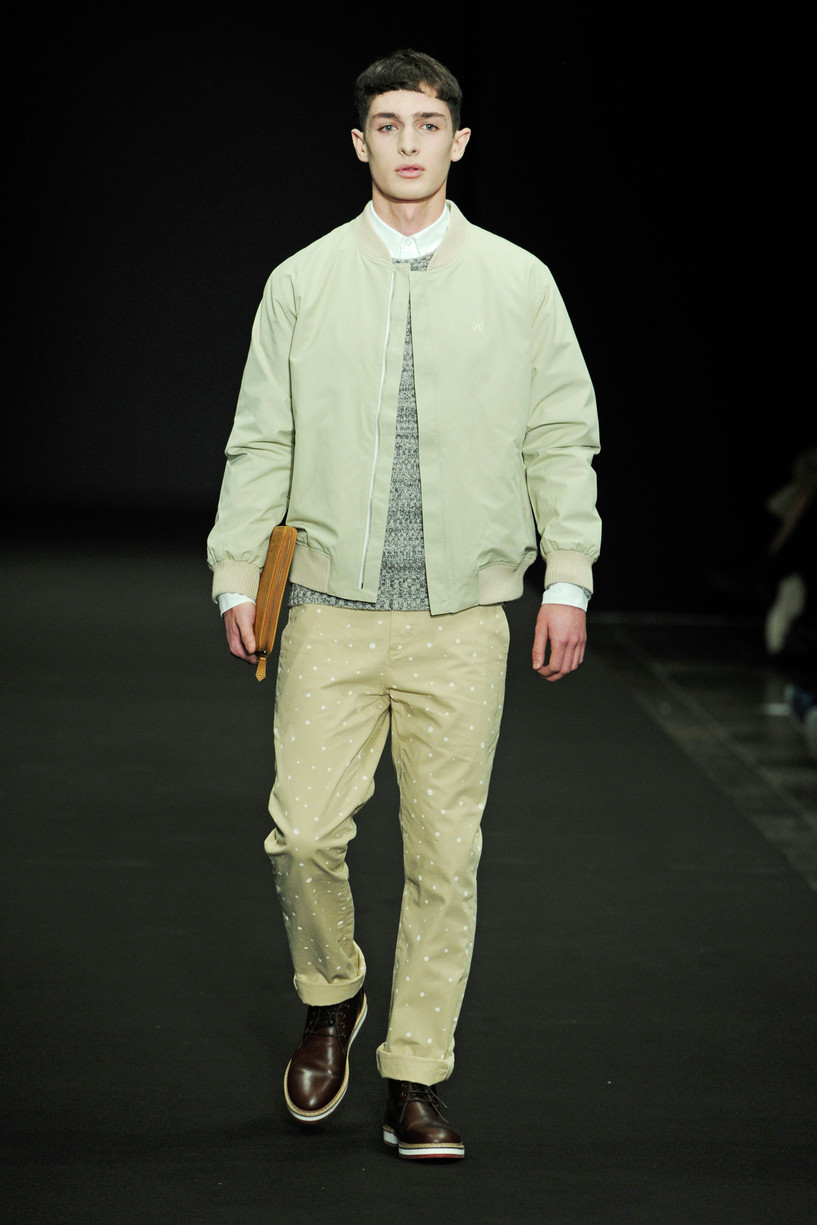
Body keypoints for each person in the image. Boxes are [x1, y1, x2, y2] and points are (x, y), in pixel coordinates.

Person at [207, 48, 601, 1160]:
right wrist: (236, 571)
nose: (410, 143)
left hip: (464, 617)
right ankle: (332, 992)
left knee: (443, 857)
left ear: (458, 141)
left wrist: (567, 577)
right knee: (300, 833)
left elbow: (559, 435)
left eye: (428, 124)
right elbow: (261, 438)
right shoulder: (302, 282)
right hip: (328, 606)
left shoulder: (519, 283)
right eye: (389, 125)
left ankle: (415, 1074)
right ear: (360, 143)